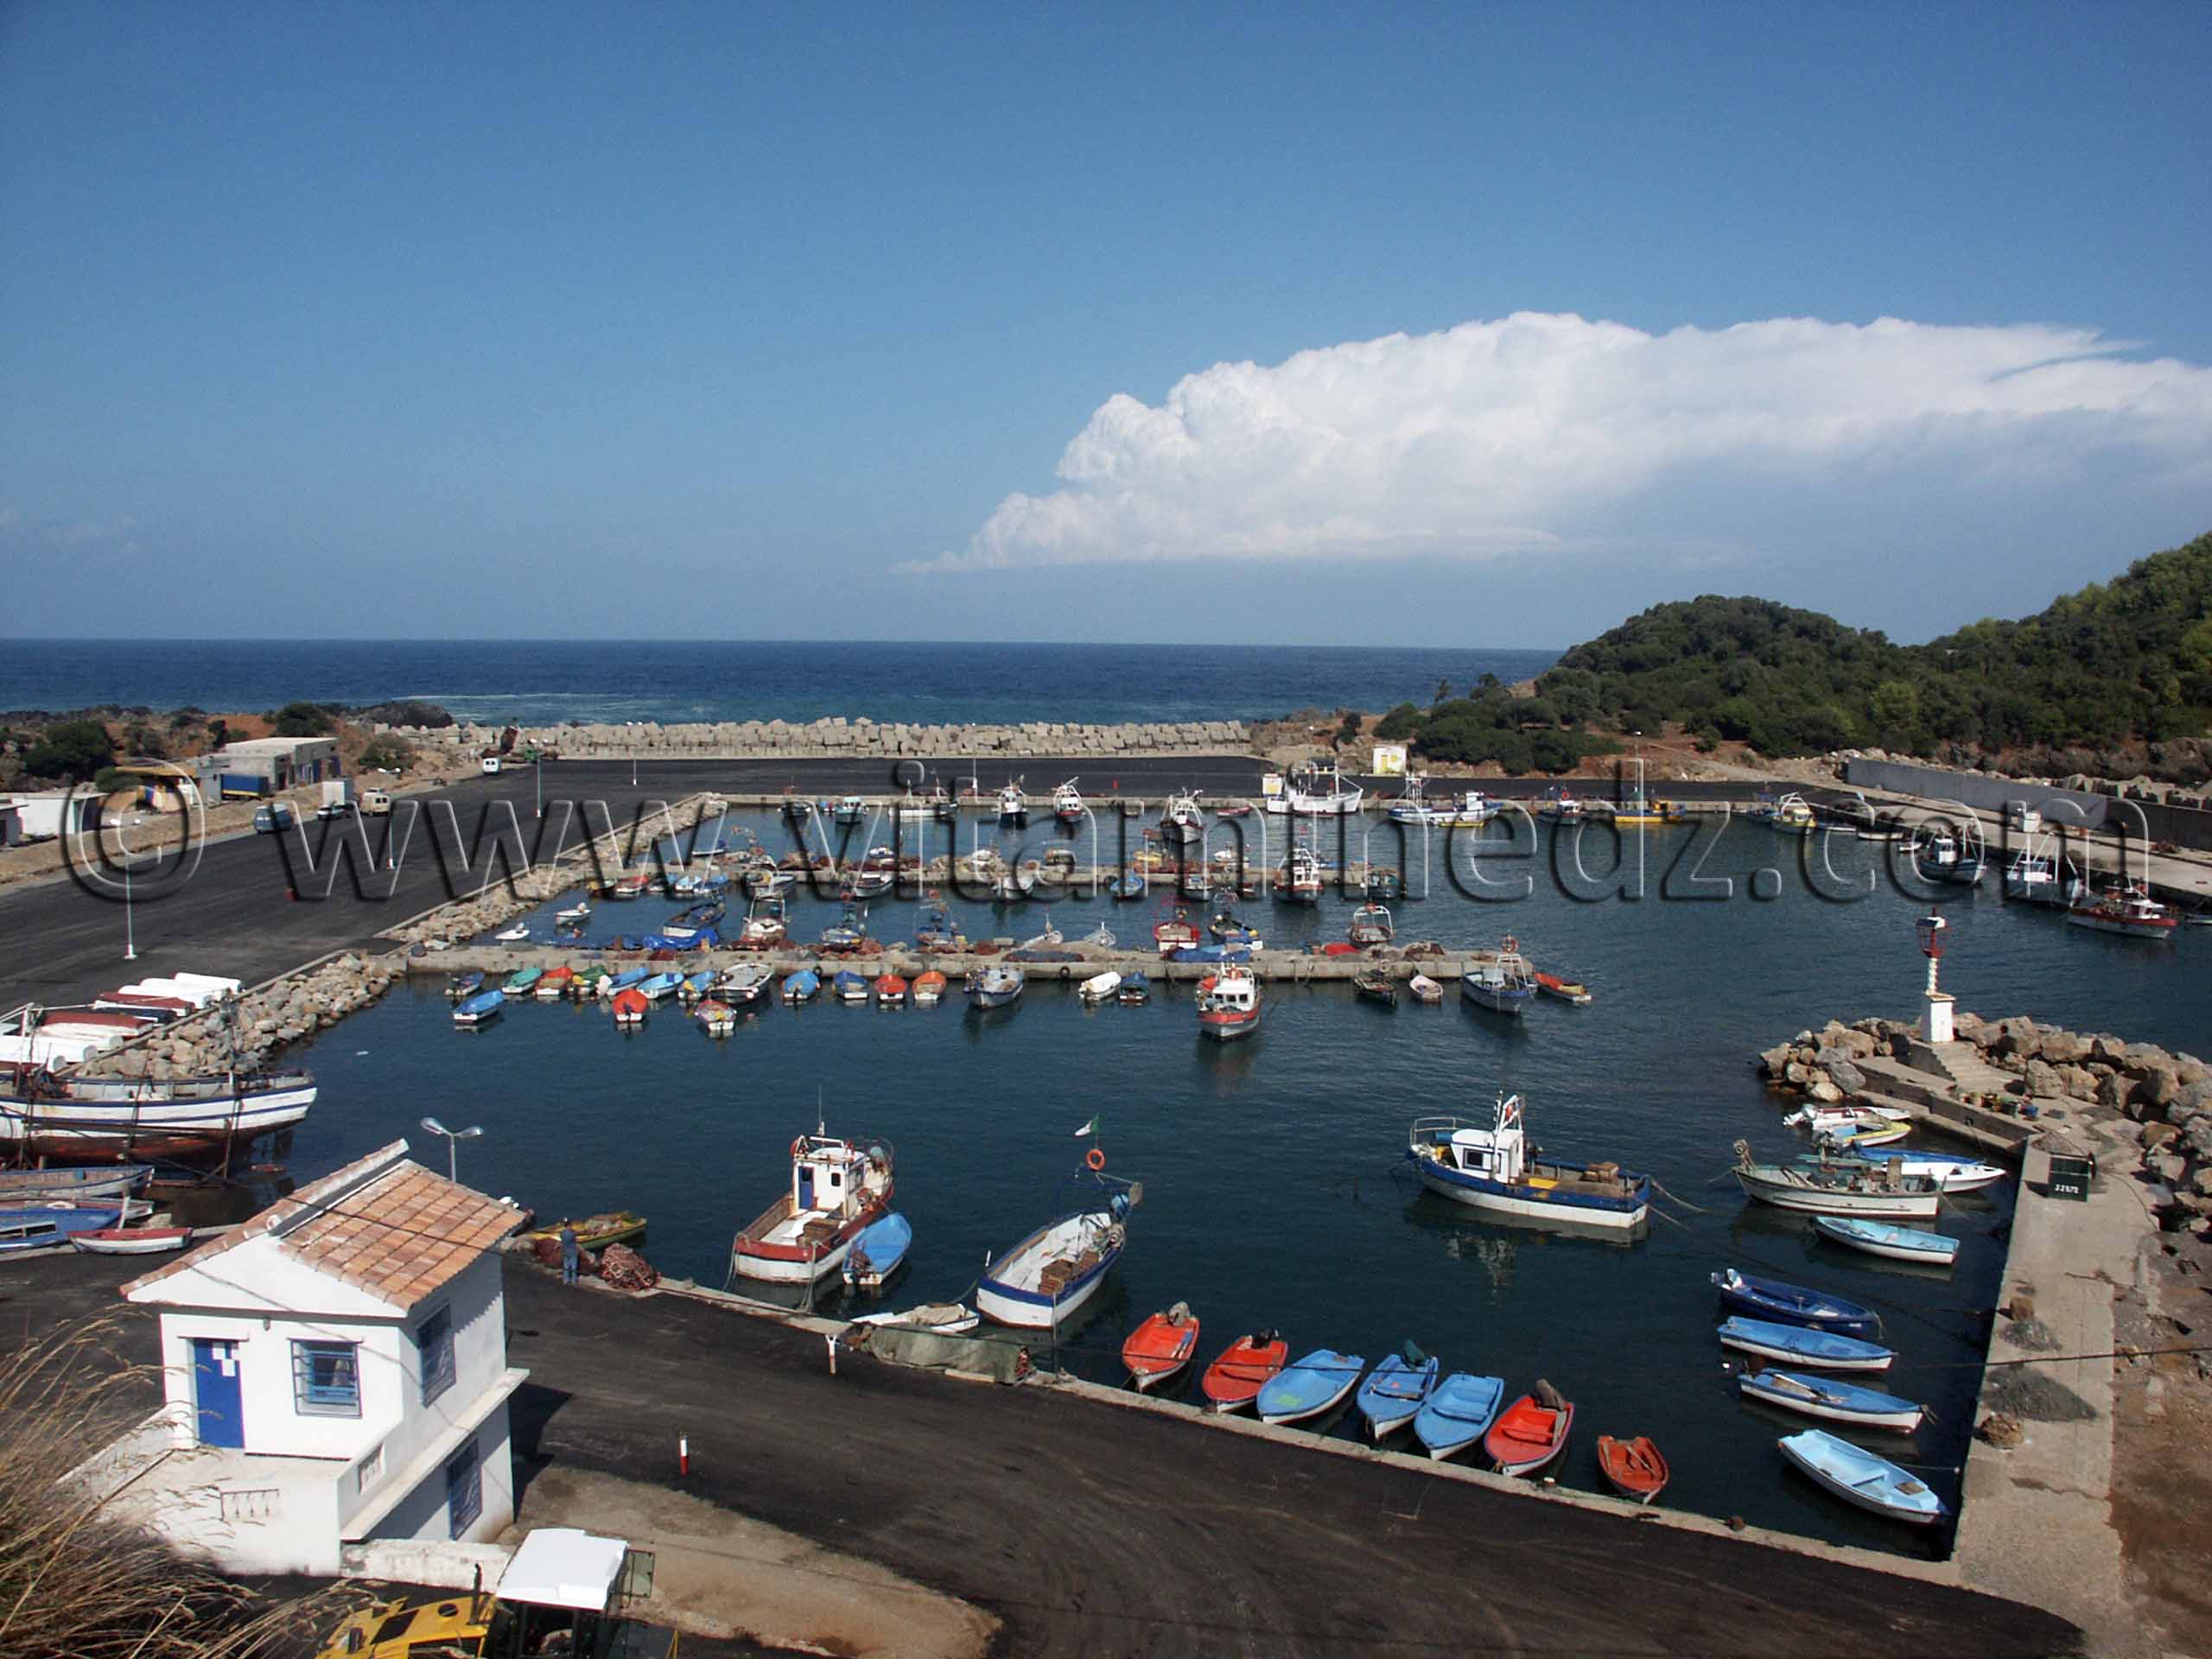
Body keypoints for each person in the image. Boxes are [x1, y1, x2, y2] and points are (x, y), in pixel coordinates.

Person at [558, 1222, 579, 1287]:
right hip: (572, 1252)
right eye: (571, 1226)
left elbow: (562, 1239)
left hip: (565, 1252)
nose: (571, 1227)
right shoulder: (572, 1234)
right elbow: (575, 1240)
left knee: (566, 1266)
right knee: (574, 1267)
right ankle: (574, 1280)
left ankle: (565, 1280)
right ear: (569, 1226)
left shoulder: (562, 1233)